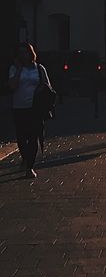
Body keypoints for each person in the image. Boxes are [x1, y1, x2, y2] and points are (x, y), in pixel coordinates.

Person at [8, 42, 54, 179]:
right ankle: (25, 158)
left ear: (31, 53)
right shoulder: (14, 69)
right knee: (22, 138)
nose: (23, 55)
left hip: (35, 108)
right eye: (20, 53)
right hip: (19, 107)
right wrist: (19, 70)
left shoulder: (39, 68)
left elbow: (48, 86)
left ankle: (30, 167)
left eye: (26, 52)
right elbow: (12, 86)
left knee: (34, 137)